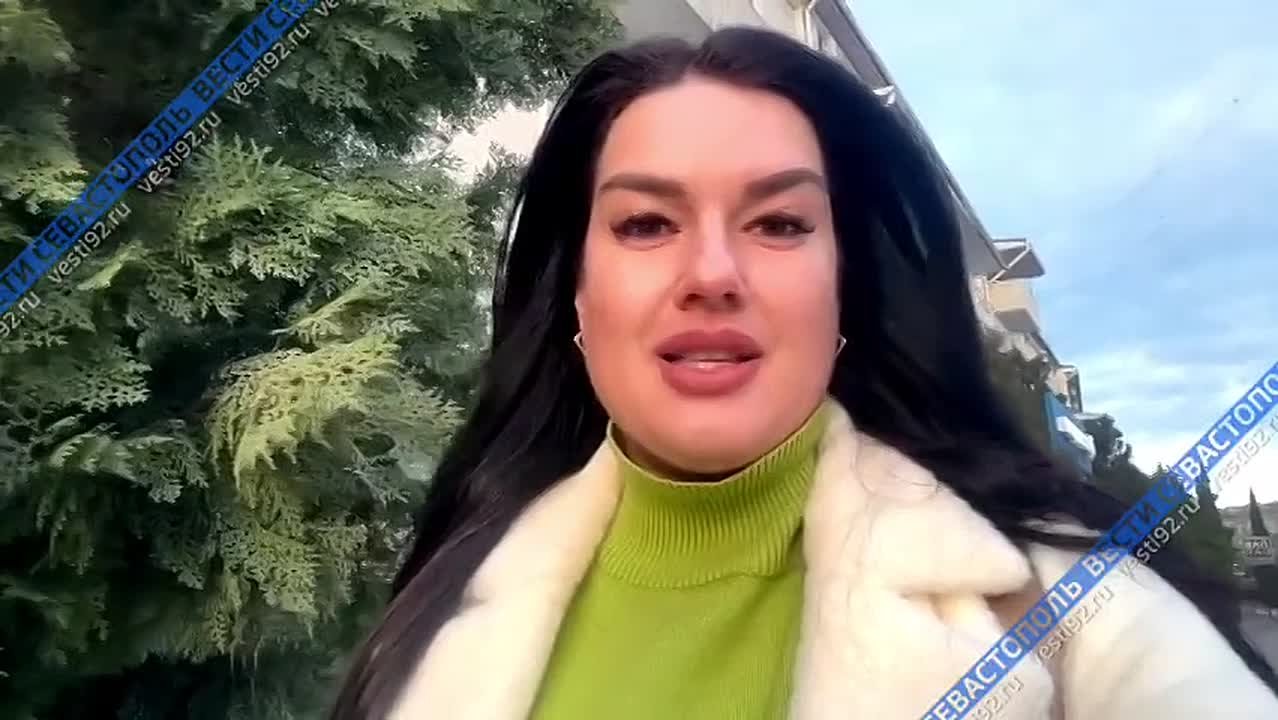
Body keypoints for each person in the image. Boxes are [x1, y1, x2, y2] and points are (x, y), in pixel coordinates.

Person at [331, 27, 1278, 720]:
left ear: (842, 291)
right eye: (646, 224)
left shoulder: (1075, 616)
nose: (711, 274)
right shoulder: (447, 598)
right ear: (576, 291)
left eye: (779, 223)